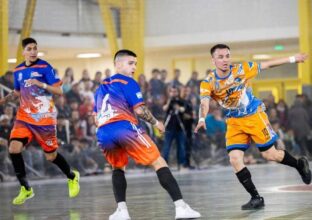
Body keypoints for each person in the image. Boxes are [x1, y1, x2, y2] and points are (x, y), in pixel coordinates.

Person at [195, 44, 312, 210]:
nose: (225, 60)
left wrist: (293, 59)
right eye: (220, 57)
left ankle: (299, 164)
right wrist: (201, 118)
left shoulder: (241, 69)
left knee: (270, 155)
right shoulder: (208, 82)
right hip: (234, 122)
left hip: (253, 116)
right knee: (234, 159)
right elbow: (204, 102)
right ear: (213, 60)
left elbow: (268, 64)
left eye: (227, 56)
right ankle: (256, 198)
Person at [94, 49, 200, 220]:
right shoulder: (128, 82)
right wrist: (156, 123)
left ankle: (122, 211)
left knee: (118, 167)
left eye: (135, 63)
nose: (134, 67)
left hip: (103, 131)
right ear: (117, 64)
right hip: (124, 127)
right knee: (158, 161)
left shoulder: (101, 86)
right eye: (130, 63)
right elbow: (139, 110)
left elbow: (95, 116)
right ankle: (181, 207)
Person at [0, 37, 80, 205]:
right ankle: (26, 188)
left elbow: (59, 91)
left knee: (51, 156)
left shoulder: (45, 67)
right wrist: (4, 100)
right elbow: (17, 92)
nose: (33, 51)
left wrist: (40, 84)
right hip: (24, 117)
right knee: (14, 148)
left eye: (35, 48)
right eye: (29, 48)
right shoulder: (18, 70)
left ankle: (72, 177)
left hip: (45, 118)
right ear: (23, 52)